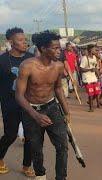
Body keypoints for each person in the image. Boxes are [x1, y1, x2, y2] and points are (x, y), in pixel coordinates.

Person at [15, 31, 70, 180]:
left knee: (62, 146)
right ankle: (40, 174)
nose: (59, 51)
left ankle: (61, 177)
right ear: (43, 48)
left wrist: (66, 111)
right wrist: (36, 115)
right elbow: (19, 95)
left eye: (60, 47)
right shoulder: (27, 66)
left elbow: (58, 88)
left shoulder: (58, 66)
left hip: (52, 108)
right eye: (55, 48)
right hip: (31, 111)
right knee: (36, 149)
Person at [0, 27, 35, 177]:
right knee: (10, 135)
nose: (24, 42)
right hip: (10, 104)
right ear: (11, 42)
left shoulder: (31, 57)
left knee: (31, 136)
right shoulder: (2, 60)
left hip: (29, 103)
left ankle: (26, 165)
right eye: (20, 40)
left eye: (25, 40)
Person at [80, 45, 102, 112]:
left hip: (94, 77)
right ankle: (91, 108)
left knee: (97, 92)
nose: (96, 51)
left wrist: (98, 76)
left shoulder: (94, 57)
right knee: (91, 94)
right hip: (87, 78)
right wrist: (90, 70)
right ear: (90, 50)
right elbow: (81, 69)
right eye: (94, 50)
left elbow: (95, 68)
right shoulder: (84, 58)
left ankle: (98, 104)